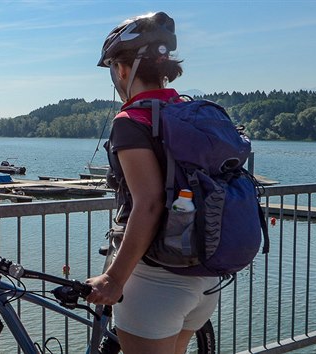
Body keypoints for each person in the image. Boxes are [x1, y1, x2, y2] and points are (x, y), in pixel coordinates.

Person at [85, 12, 219, 354]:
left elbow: (149, 203)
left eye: (114, 67)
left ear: (122, 69)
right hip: (204, 276)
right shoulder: (186, 112)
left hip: (156, 281)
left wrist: (114, 279)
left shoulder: (132, 121)